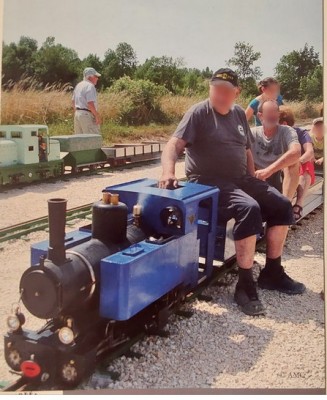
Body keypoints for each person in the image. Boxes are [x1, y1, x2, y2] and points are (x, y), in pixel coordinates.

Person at [159, 68, 305, 317]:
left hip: (239, 178)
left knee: (281, 203)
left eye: (227, 90)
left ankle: (272, 272)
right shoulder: (199, 113)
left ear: (236, 93)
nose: (221, 95)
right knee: (249, 208)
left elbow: (246, 148)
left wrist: (251, 176)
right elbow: (173, 144)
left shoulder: (238, 113)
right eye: (217, 89)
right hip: (208, 181)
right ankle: (245, 285)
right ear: (210, 89)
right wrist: (167, 172)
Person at [250, 100, 301, 201]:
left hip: (277, 173)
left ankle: (286, 204)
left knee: (294, 163)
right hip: (256, 175)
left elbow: (296, 152)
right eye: (269, 112)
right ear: (260, 116)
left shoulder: (286, 131)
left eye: (275, 112)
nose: (272, 115)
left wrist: (268, 171)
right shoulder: (252, 133)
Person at [279, 106, 315, 220]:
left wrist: (296, 162)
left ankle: (298, 203)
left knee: (305, 164)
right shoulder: (274, 135)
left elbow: (309, 152)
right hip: (281, 170)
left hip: (300, 170)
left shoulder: (302, 133)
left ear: (284, 124)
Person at [72, 67, 101, 134]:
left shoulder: (78, 85)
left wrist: (79, 112)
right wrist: (97, 116)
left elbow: (73, 102)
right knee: (92, 139)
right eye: (96, 76)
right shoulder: (90, 86)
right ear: (90, 77)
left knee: (80, 140)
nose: (97, 78)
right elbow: (90, 104)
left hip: (77, 114)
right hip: (87, 115)